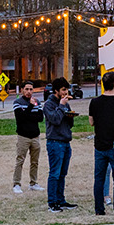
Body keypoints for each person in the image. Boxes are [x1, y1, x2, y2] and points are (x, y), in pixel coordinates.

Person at [87, 71, 114, 216]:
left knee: (99, 178)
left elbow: (91, 122)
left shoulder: (94, 102)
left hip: (100, 144)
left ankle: (99, 209)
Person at [43, 78, 78, 211]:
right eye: (63, 90)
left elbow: (69, 124)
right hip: (54, 142)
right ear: (56, 91)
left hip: (65, 141)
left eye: (67, 89)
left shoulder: (65, 104)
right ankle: (52, 202)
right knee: (55, 173)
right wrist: (62, 106)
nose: (66, 92)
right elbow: (55, 120)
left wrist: (70, 117)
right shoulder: (49, 105)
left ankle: (61, 199)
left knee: (63, 173)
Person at [10, 81, 44, 193]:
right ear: (22, 90)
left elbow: (40, 118)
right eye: (27, 89)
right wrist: (30, 106)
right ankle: (16, 184)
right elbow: (20, 118)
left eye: (31, 89)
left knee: (35, 161)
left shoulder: (37, 102)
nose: (29, 92)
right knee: (20, 160)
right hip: (23, 136)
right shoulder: (17, 102)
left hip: (35, 136)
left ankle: (33, 183)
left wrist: (28, 113)